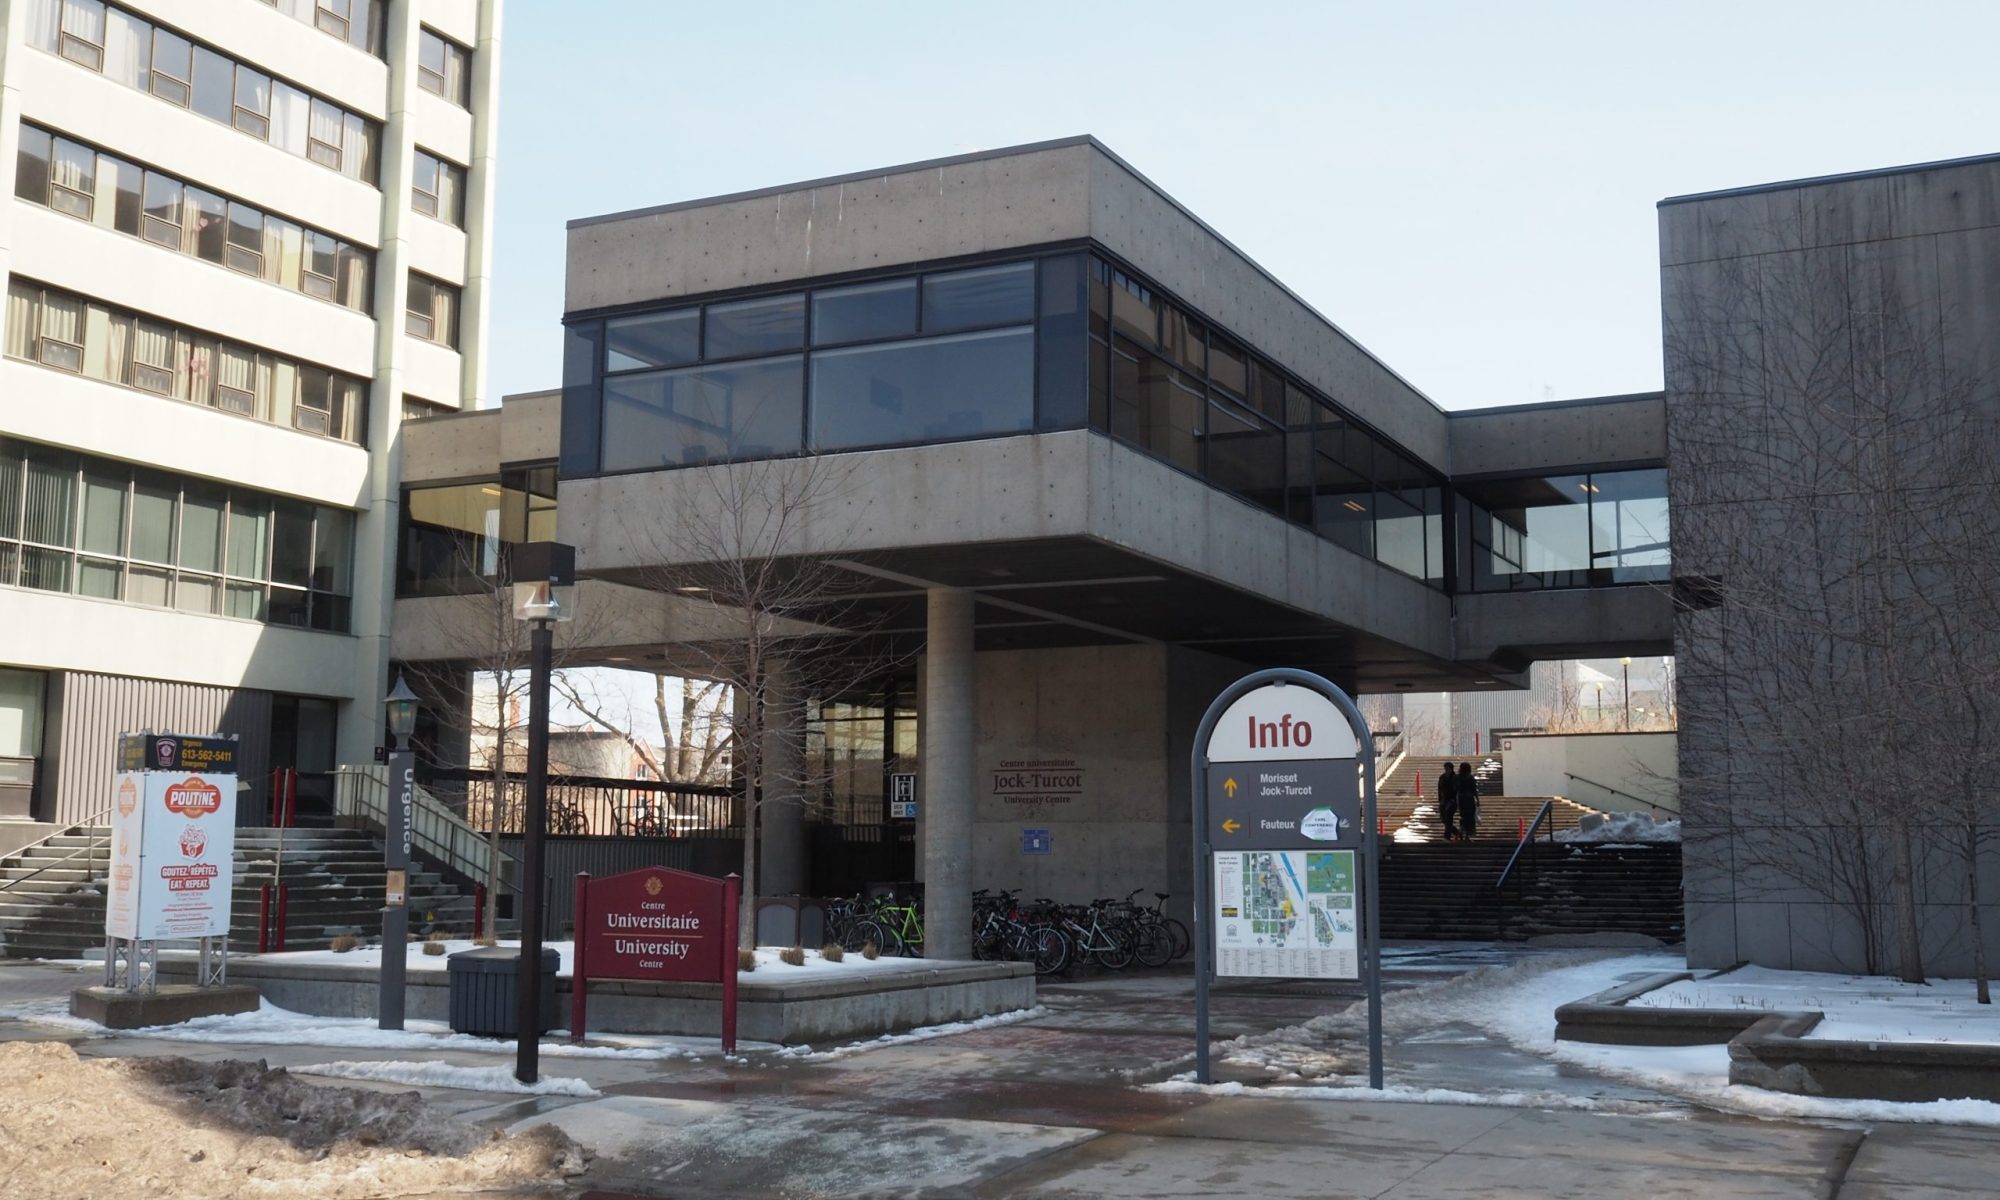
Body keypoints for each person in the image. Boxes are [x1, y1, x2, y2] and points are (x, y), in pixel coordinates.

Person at [1436, 761, 1459, 841]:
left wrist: (1454, 800)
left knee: (1448, 818)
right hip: (1443, 800)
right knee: (1443, 819)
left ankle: (1447, 836)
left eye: (1447, 768)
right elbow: (1439, 789)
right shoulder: (1442, 777)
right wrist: (1440, 799)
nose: (1446, 770)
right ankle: (1456, 832)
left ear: (1451, 769)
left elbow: (1456, 790)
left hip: (1452, 801)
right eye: (1445, 768)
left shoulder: (1455, 777)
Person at [1458, 761, 1480, 839]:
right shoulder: (1470, 777)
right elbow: (1474, 790)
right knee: (1470, 817)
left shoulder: (1458, 777)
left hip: (1461, 799)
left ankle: (1461, 830)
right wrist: (1477, 800)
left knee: (1463, 816)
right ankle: (1468, 833)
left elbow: (1456, 789)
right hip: (1469, 799)